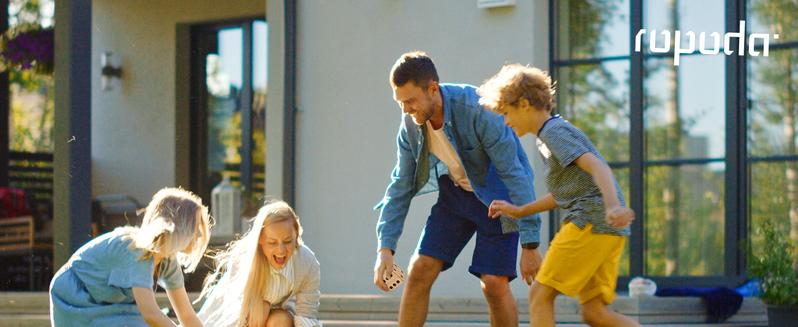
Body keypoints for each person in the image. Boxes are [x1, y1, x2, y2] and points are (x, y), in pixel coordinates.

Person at [373, 51, 542, 327]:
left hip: (499, 197)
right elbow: (400, 186)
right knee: (419, 270)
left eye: (411, 101)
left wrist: (530, 242)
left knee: (493, 283)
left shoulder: (479, 110)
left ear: (432, 89)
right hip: (455, 196)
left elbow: (515, 173)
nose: (405, 110)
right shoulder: (410, 126)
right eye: (400, 102)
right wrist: (385, 249)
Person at [478, 64, 639, 327]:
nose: (506, 121)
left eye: (507, 113)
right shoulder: (551, 134)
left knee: (540, 295)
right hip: (605, 229)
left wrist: (612, 207)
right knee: (595, 312)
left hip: (589, 222)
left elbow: (598, 165)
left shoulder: (553, 132)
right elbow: (565, 193)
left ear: (525, 104)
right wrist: (519, 211)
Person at [49, 187, 211, 327]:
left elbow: (187, 315)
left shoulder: (168, 260)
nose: (197, 236)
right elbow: (150, 314)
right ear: (179, 229)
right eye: (194, 228)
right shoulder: (137, 252)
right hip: (76, 296)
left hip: (108, 301)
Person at [198, 200, 321, 327]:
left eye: (288, 241)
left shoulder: (307, 262)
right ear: (260, 240)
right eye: (272, 242)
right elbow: (235, 316)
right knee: (260, 309)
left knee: (280, 320)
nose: (281, 250)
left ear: (296, 236)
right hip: (244, 317)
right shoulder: (246, 260)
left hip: (283, 315)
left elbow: (306, 313)